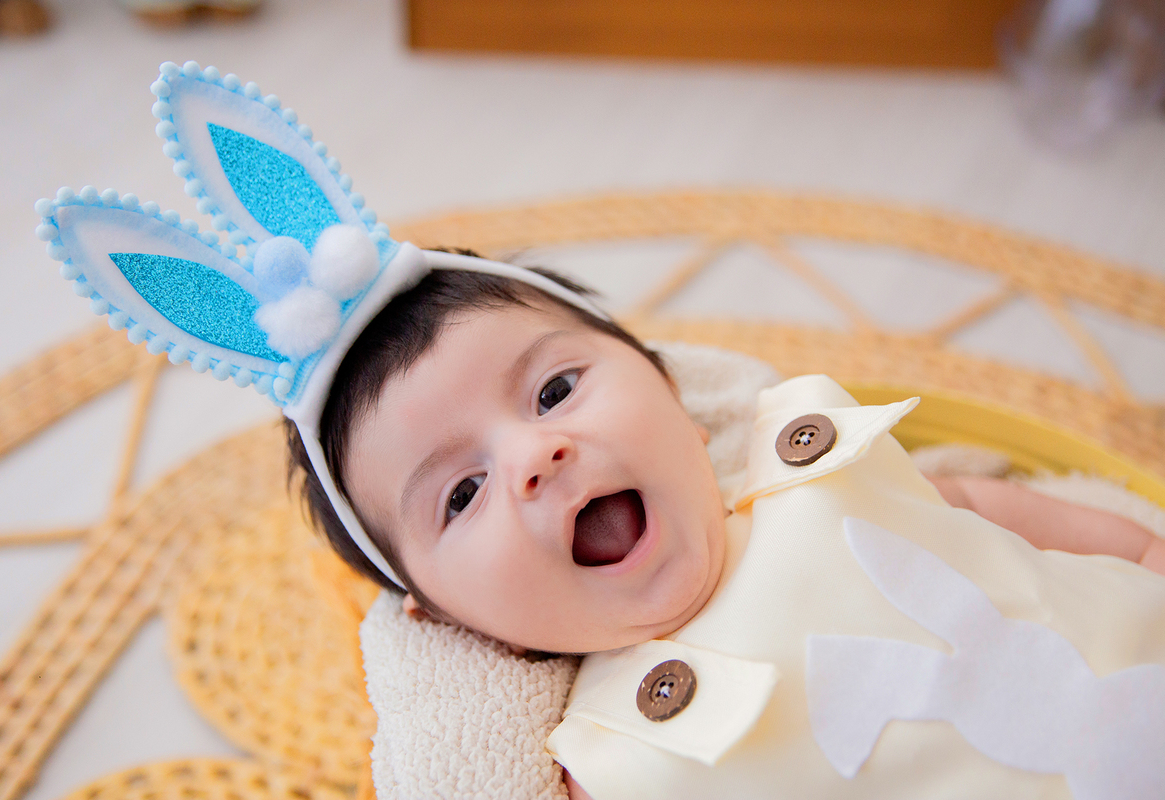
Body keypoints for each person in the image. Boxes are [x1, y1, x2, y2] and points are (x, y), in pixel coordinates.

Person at [286, 260, 1165, 800]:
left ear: (681, 404)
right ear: (446, 619)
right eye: (462, 493)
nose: (536, 456)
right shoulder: (607, 754)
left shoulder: (822, 469)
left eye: (554, 391)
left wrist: (1148, 552)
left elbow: (1019, 520)